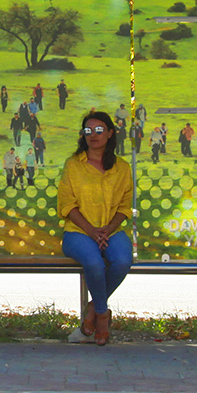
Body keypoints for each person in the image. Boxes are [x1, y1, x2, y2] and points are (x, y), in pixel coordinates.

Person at [57, 111, 135, 346]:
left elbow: (124, 206)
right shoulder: (73, 164)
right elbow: (67, 204)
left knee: (122, 261)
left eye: (99, 130)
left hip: (110, 231)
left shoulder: (121, 167)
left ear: (110, 133)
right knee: (94, 263)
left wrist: (107, 229)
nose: (94, 135)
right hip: (79, 232)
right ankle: (102, 317)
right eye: (88, 131)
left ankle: (92, 310)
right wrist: (92, 231)